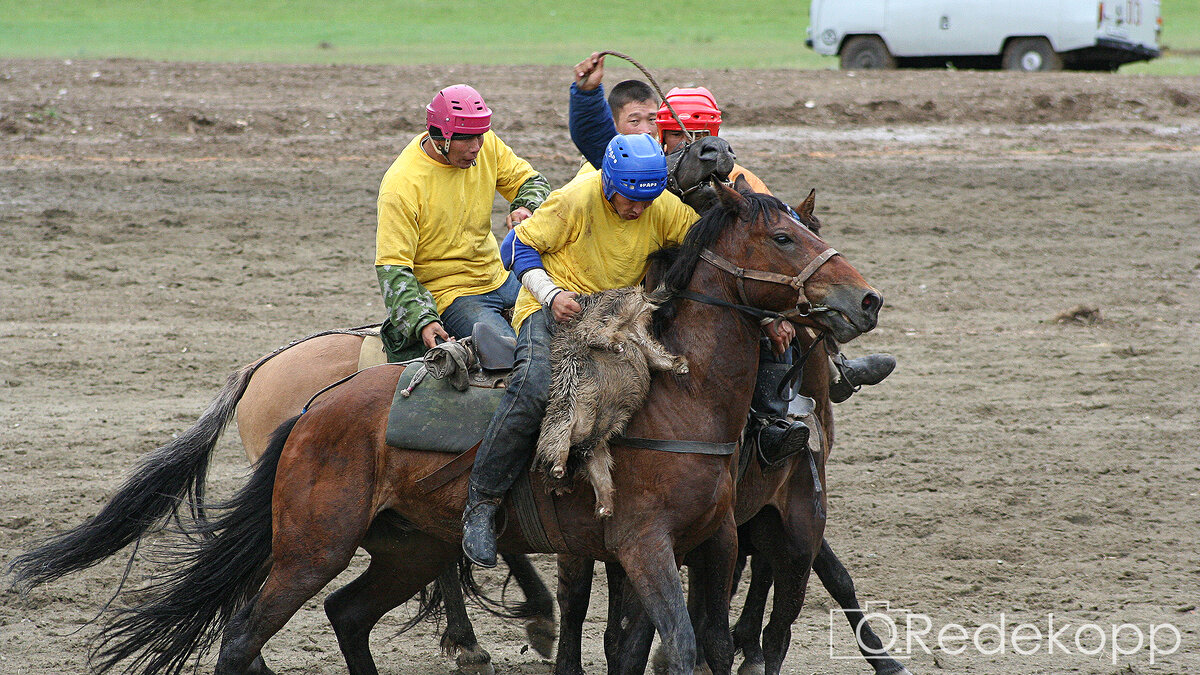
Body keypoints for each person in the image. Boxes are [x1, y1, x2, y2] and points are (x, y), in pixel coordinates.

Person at [461, 134, 702, 567]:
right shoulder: (573, 200)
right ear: (609, 182)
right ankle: (482, 502)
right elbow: (514, 246)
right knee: (532, 389)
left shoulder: (659, 205)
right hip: (551, 310)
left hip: (614, 317)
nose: (638, 210)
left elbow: (704, 240)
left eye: (646, 202)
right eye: (630, 200)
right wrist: (551, 294)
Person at [375, 84, 551, 361]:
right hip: (451, 294)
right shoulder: (402, 186)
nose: (476, 148)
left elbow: (531, 181)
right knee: (516, 359)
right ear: (440, 137)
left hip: (500, 276)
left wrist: (526, 207)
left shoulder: (486, 143)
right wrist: (422, 319)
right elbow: (393, 268)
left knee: (571, 327)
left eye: (480, 137)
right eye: (466, 140)